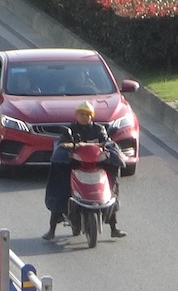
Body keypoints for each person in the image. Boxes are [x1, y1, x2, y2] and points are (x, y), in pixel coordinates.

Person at [43, 103, 124, 241]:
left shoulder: (99, 129)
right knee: (60, 189)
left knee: (111, 189)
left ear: (92, 117)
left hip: (97, 164)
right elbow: (62, 144)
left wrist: (109, 150)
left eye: (87, 115)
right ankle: (52, 229)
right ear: (77, 115)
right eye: (82, 114)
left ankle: (113, 227)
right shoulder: (70, 129)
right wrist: (70, 147)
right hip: (74, 165)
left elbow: (106, 142)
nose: (85, 117)